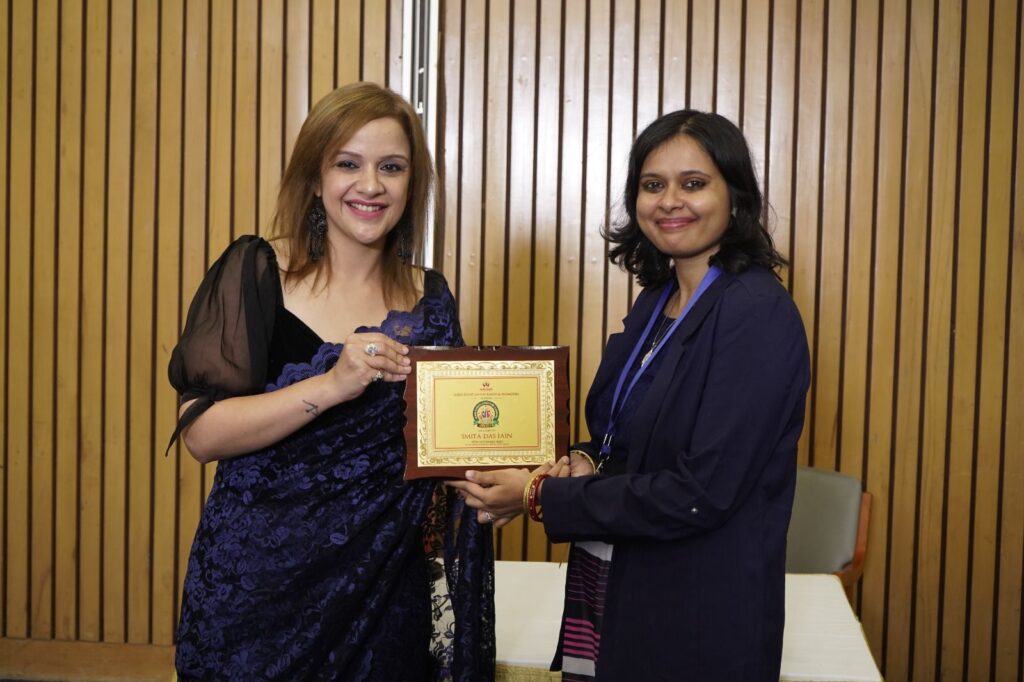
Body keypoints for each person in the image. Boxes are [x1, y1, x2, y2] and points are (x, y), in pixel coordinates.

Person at [451, 110, 810, 681]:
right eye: (653, 184)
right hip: (615, 586)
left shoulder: (756, 311)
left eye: (694, 183)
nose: (670, 201)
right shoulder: (658, 300)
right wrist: (585, 460)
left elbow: (701, 492)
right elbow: (628, 437)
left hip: (696, 618)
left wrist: (540, 495)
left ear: (736, 197)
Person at [168, 82, 494, 680]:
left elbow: (445, 448)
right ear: (315, 179)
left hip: (385, 594)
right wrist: (332, 384)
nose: (370, 185)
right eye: (348, 164)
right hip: (258, 595)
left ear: (411, 184)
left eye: (391, 167)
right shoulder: (257, 271)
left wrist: (505, 486)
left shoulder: (432, 298)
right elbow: (202, 435)